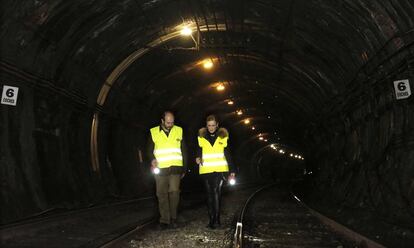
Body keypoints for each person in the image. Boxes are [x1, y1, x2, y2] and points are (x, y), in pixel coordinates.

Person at [148, 111, 187, 229]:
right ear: (162, 121)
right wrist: (152, 159)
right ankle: (165, 220)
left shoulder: (179, 130)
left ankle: (174, 218)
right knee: (161, 194)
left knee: (174, 193)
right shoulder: (154, 132)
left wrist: (184, 168)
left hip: (175, 168)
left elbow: (184, 150)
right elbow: (149, 150)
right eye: (168, 122)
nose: (170, 124)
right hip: (160, 169)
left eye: (172, 122)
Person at [195, 114, 236, 229]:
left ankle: (216, 220)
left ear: (217, 125)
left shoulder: (223, 137)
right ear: (206, 126)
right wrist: (197, 157)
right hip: (206, 169)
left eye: (213, 125)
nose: (211, 127)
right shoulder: (201, 137)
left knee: (216, 192)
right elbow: (198, 150)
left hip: (219, 169)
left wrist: (232, 170)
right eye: (209, 125)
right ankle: (212, 219)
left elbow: (227, 153)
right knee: (209, 195)